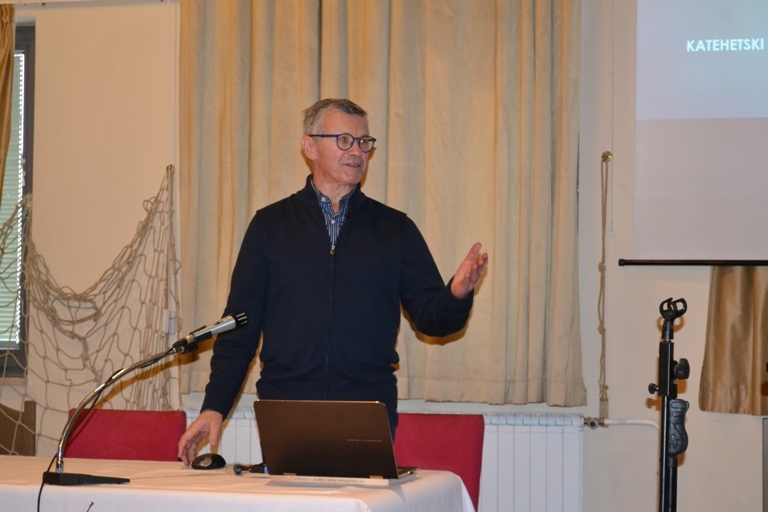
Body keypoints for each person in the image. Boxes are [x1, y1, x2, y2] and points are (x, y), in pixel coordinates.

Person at [178, 98, 488, 465]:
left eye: (364, 142)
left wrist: (456, 294)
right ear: (310, 147)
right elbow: (238, 329)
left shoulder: (394, 229)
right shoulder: (270, 227)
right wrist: (214, 407)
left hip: (366, 406)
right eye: (344, 140)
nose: (357, 151)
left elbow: (432, 320)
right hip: (286, 405)